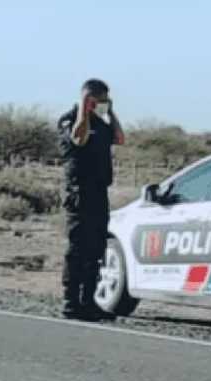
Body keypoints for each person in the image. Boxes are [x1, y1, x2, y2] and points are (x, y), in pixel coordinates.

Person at [57, 78, 125, 321]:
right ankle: (71, 301)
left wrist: (111, 112)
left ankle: (89, 301)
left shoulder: (102, 123)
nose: (102, 105)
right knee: (78, 249)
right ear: (89, 98)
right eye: (100, 100)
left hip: (98, 193)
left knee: (96, 248)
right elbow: (79, 138)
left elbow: (119, 138)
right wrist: (83, 109)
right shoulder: (70, 119)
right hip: (79, 193)